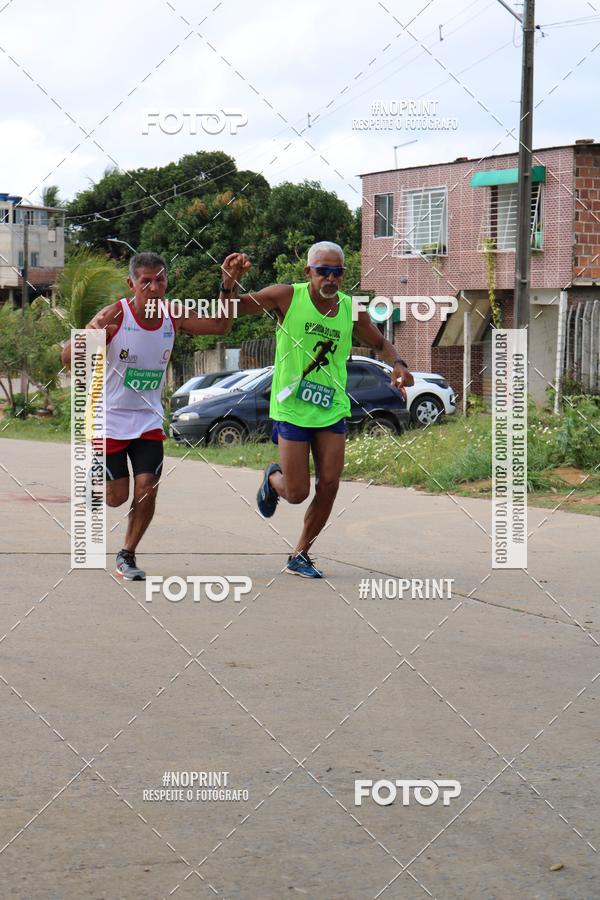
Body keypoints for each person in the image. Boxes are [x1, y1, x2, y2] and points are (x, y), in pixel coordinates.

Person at [223, 242, 414, 578]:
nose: (330, 278)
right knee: (297, 493)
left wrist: (397, 363)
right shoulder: (286, 297)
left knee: (330, 483)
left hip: (331, 407)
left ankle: (301, 553)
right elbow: (232, 310)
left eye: (337, 272)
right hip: (292, 407)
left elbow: (379, 342)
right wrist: (228, 282)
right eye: (323, 271)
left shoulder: (350, 309)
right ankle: (272, 477)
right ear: (308, 272)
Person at [62, 251, 240, 580]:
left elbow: (220, 325)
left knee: (148, 488)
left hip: (147, 420)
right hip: (108, 421)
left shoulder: (173, 315)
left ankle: (127, 554)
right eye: (146, 281)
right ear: (132, 284)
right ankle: (96, 483)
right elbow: (68, 358)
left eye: (160, 280)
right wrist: (89, 334)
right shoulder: (116, 315)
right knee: (116, 498)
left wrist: (228, 283)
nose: (154, 287)